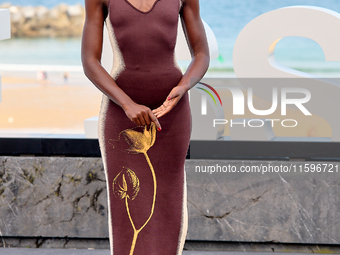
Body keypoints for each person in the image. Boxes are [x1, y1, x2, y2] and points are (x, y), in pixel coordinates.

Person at [81, 0, 209, 254]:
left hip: (172, 113)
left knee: (168, 202)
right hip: (121, 114)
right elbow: (89, 61)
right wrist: (127, 104)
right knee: (127, 206)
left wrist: (183, 87)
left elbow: (202, 54)